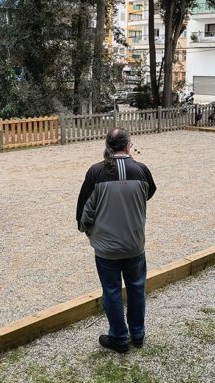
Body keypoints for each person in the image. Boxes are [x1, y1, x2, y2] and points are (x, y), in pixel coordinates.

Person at [76, 127, 156, 353]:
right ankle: (138, 334)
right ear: (128, 145)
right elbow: (148, 194)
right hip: (134, 244)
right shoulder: (141, 170)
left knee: (111, 291)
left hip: (106, 248)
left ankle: (119, 337)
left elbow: (84, 210)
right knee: (136, 288)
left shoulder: (95, 172)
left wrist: (88, 230)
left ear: (107, 146)